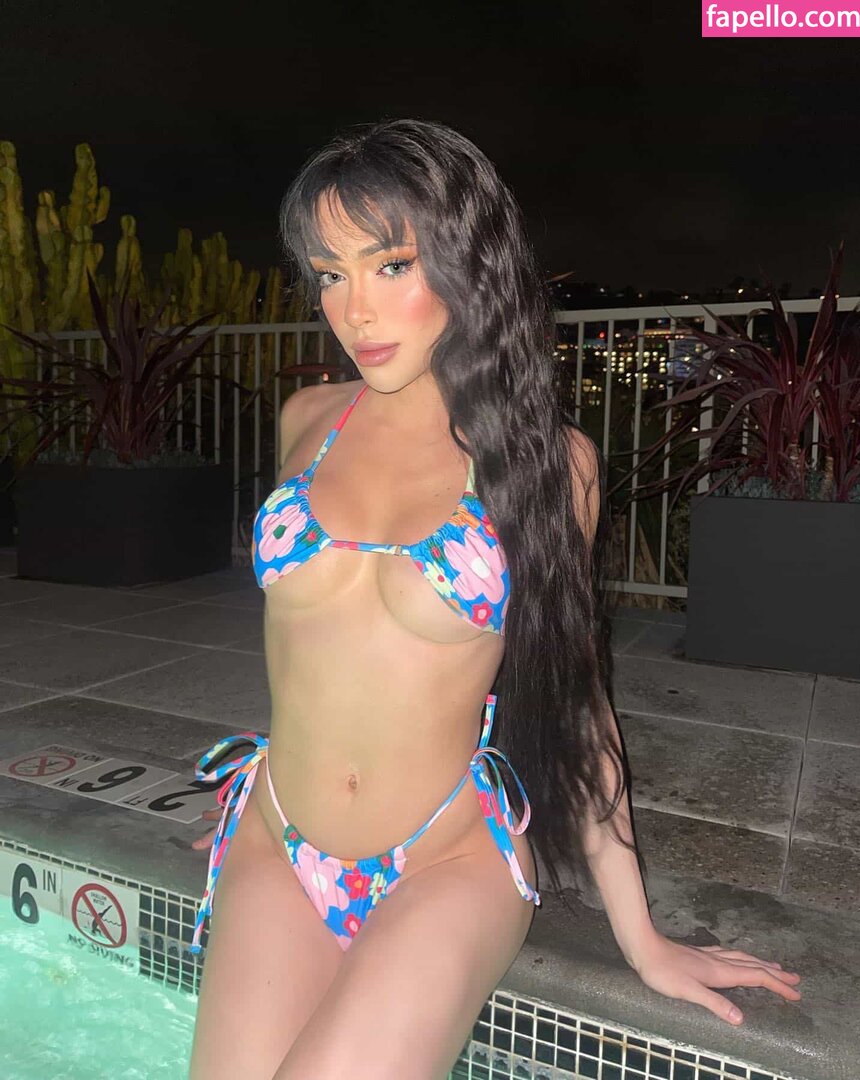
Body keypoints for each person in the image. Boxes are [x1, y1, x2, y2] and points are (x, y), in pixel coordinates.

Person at [187, 118, 801, 1080]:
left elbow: (577, 701)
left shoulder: (547, 464)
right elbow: (318, 645)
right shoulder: (308, 420)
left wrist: (640, 934)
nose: (354, 309)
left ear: (468, 264)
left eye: (391, 265)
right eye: (329, 273)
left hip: (446, 859)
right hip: (278, 836)